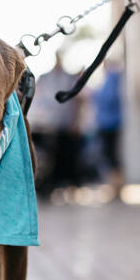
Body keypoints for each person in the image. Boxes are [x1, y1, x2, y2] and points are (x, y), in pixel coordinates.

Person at [28, 52, 82, 198]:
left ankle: (67, 185)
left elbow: (77, 101)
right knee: (50, 157)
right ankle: (49, 186)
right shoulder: (45, 78)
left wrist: (76, 121)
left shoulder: (70, 78)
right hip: (49, 125)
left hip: (65, 123)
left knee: (67, 156)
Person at [92, 61, 124, 193]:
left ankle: (116, 186)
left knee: (111, 156)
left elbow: (109, 99)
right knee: (109, 156)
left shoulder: (112, 79)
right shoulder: (108, 79)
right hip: (106, 123)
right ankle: (114, 185)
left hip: (110, 124)